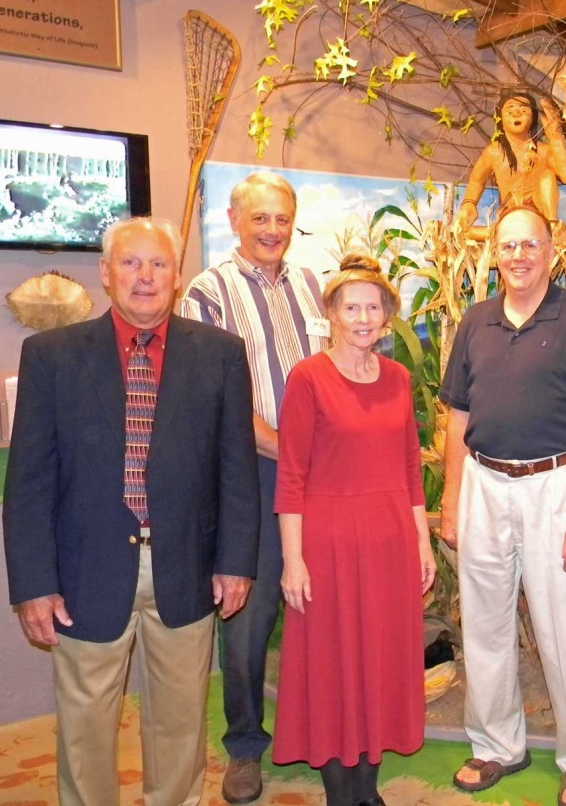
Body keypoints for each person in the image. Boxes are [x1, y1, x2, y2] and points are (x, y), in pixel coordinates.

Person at [3, 217, 260, 805]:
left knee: (180, 721)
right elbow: (29, 483)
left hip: (187, 567)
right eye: (130, 263)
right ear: (105, 272)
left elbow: (236, 471)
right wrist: (34, 584)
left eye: (159, 265)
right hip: (84, 572)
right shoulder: (51, 356)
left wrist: (235, 562)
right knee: (85, 726)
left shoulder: (220, 354)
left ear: (176, 277)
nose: (145, 277)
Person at [439, 204, 566, 806]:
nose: (519, 256)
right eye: (508, 246)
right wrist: (451, 499)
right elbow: (456, 417)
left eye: (530, 245)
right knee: (485, 624)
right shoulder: (475, 321)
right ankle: (497, 745)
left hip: (558, 486)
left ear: (551, 253)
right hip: (484, 483)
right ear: (496, 254)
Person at [180, 171, 328, 803]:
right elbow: (213, 401)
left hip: (324, 475)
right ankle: (244, 746)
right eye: (260, 218)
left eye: (282, 219)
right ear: (235, 221)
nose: (273, 231)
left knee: (322, 609)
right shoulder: (206, 293)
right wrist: (294, 451)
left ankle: (324, 733)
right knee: (248, 614)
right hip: (255, 474)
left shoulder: (311, 285)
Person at [272, 253, 436, 806]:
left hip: (390, 541)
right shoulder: (309, 378)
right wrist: (293, 561)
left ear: (386, 316)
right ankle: (342, 793)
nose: (363, 317)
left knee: (378, 660)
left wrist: (421, 542)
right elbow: (291, 475)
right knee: (333, 664)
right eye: (352, 307)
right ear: (333, 315)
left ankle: (368, 788)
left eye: (373, 308)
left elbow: (411, 469)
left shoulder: (398, 378)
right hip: (329, 543)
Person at [457, 90, 566, 232]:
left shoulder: (544, 150)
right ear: (500, 119)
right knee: (462, 232)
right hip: (510, 216)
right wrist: (469, 203)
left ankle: (551, 228)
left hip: (539, 219)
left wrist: (556, 138)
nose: (517, 113)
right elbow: (476, 181)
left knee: (547, 176)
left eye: (523, 110)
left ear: (533, 119)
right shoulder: (494, 152)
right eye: (510, 111)